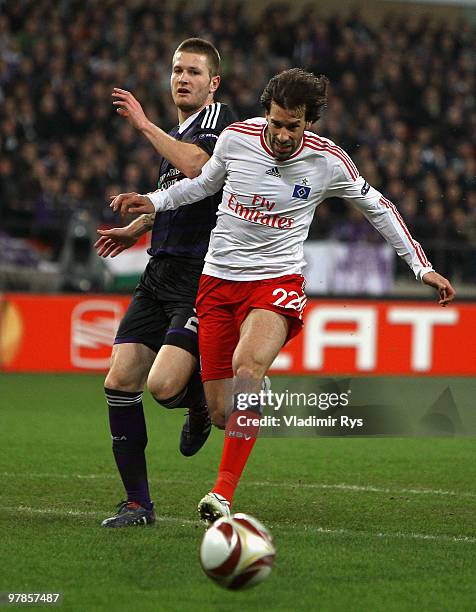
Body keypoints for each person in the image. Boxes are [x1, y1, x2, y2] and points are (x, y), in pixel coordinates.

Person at [110, 68, 456, 523]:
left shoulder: (328, 161)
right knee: (221, 413)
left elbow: (379, 207)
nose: (282, 134)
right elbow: (201, 185)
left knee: (247, 367)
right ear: (266, 115)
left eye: (293, 126)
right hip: (217, 283)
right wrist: (155, 202)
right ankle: (248, 403)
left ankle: (222, 495)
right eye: (276, 123)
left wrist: (421, 266)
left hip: (276, 281)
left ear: (309, 122)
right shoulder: (235, 139)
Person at [96, 38, 236, 528]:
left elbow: (199, 170)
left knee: (162, 386)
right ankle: (138, 504)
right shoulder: (182, 131)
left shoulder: (219, 124)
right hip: (159, 272)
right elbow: (175, 195)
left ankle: (197, 403)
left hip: (199, 277)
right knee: (119, 381)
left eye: (194, 72)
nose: (183, 78)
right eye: (177, 69)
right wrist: (135, 228)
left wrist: (143, 124)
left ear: (212, 82)